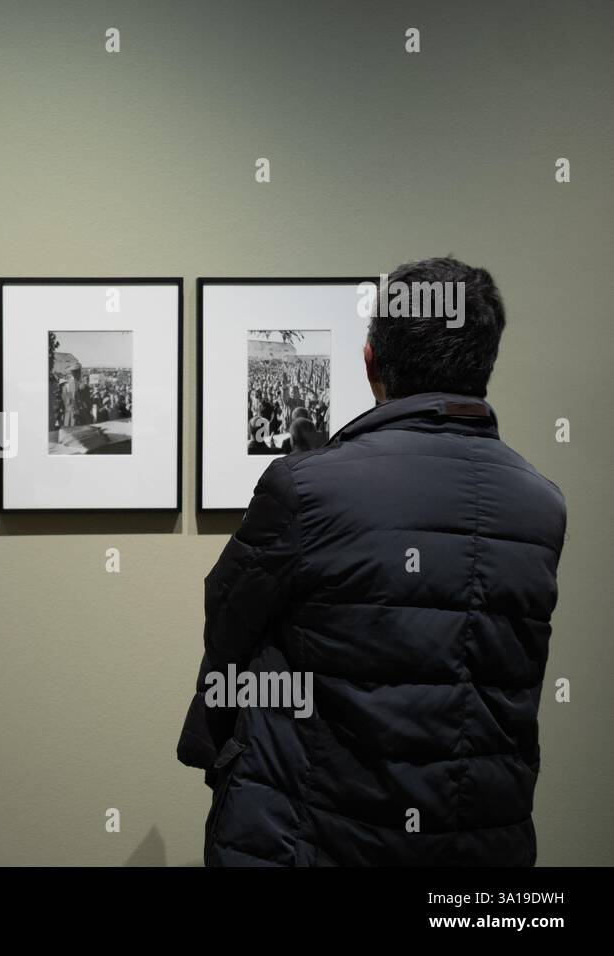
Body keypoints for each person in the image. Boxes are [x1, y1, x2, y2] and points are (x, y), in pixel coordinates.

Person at [177, 257, 566, 866]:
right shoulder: (542, 504)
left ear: (370, 361)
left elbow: (227, 622)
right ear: (485, 363)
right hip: (480, 843)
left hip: (311, 836)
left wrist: (214, 748)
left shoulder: (304, 489)